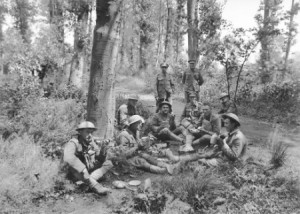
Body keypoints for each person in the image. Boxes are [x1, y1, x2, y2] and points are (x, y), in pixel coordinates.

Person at [161, 113, 248, 167]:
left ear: (234, 124)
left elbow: (234, 157)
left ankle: (177, 163)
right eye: (224, 123)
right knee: (200, 154)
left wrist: (223, 144)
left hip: (229, 163)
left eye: (227, 123)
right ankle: (176, 158)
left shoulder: (238, 137)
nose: (225, 125)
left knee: (200, 161)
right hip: (223, 156)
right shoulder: (231, 133)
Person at [115, 115, 180, 174]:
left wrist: (145, 143)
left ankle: (166, 166)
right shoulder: (124, 135)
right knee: (141, 161)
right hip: (127, 159)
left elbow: (137, 146)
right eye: (139, 123)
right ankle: (160, 170)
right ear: (132, 124)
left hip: (134, 154)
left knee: (146, 156)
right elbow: (123, 155)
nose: (140, 125)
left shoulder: (133, 133)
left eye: (141, 123)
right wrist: (137, 147)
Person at [63, 121, 113, 195]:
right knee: (75, 168)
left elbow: (100, 159)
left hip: (87, 170)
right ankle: (95, 186)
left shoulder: (90, 141)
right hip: (76, 172)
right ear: (80, 132)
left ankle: (87, 181)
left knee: (108, 163)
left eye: (91, 132)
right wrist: (82, 168)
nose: (90, 135)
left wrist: (103, 149)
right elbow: (68, 157)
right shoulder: (73, 142)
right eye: (87, 132)